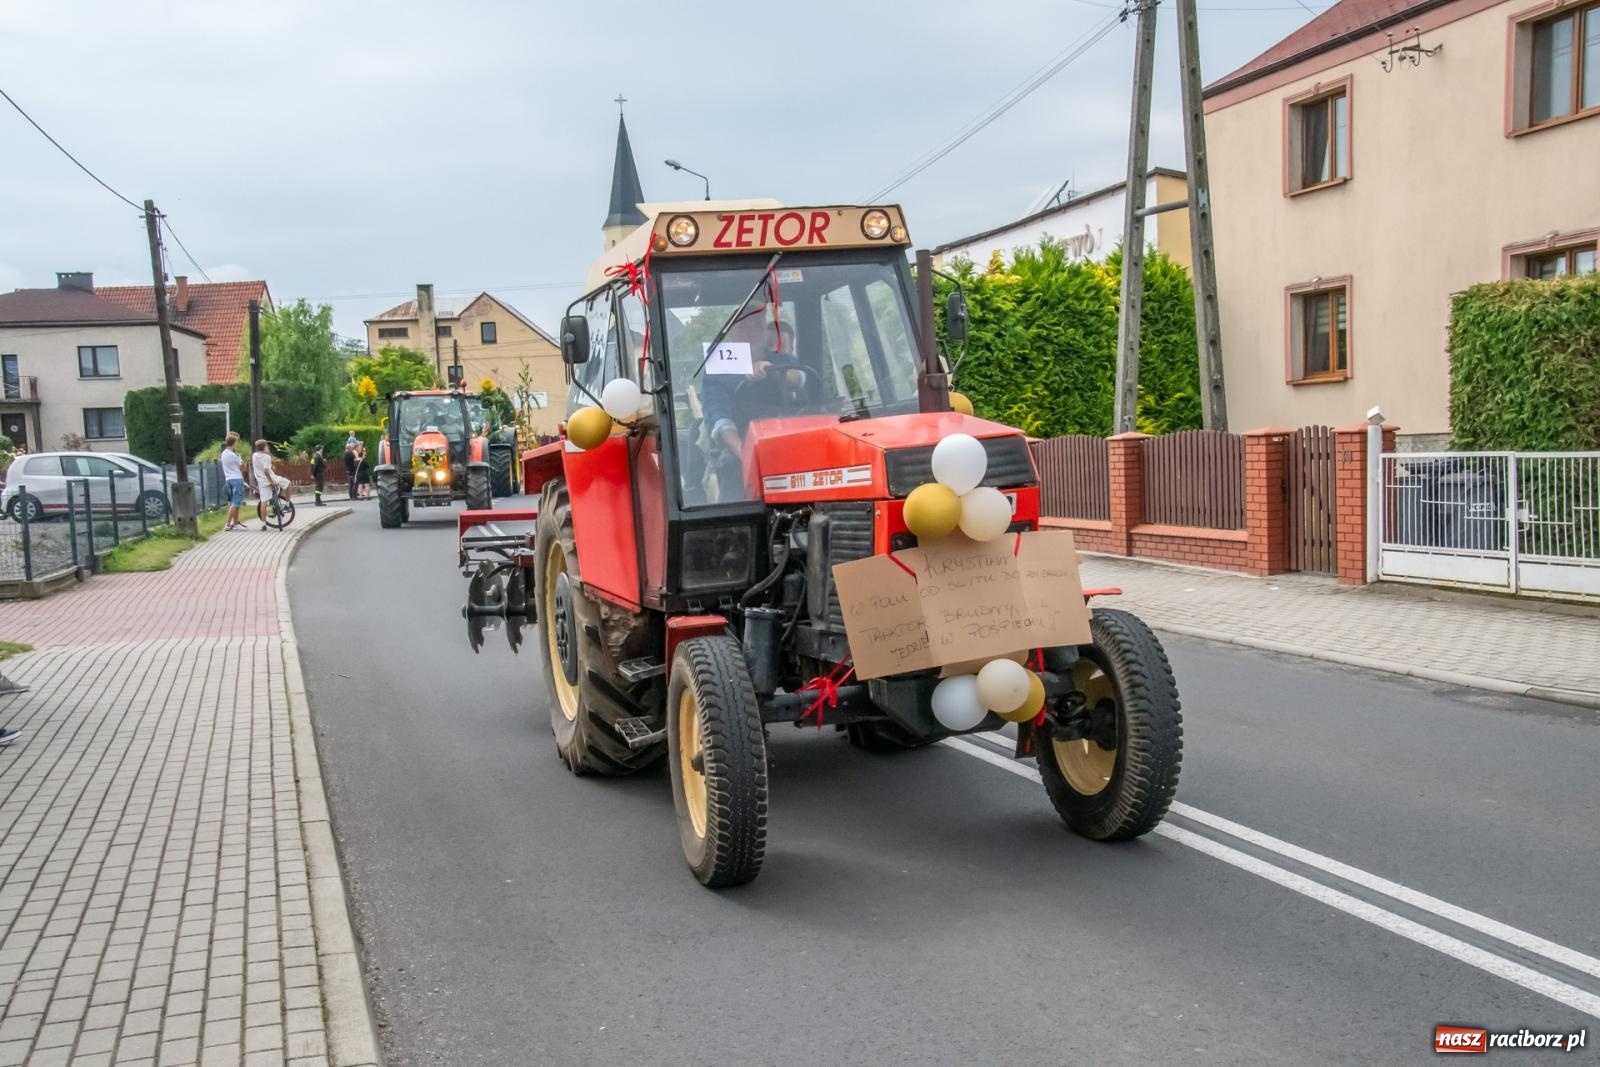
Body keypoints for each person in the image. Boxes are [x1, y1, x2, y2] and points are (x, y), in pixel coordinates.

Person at [250, 439, 288, 531]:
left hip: (261, 481)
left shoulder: (254, 456)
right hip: (270, 479)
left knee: (263, 502)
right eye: (267, 447)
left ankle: (263, 524)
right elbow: (266, 471)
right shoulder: (267, 457)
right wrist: (271, 481)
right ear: (264, 448)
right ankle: (286, 503)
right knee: (288, 483)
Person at [220, 432, 247, 531]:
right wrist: (243, 463)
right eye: (237, 442)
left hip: (228, 479)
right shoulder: (234, 455)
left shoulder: (224, 454)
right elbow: (243, 468)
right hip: (237, 479)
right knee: (235, 503)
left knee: (232, 502)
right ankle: (228, 523)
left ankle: (235, 522)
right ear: (234, 443)